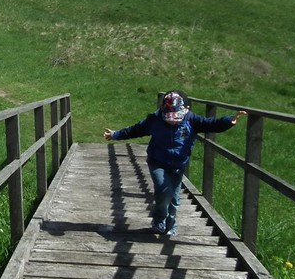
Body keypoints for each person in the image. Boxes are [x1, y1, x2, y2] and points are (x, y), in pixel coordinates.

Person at [104, 91, 246, 237]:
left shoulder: (191, 119)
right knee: (163, 189)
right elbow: (135, 130)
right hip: (157, 161)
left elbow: (211, 124)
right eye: (169, 118)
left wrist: (229, 121)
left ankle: (171, 225)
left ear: (186, 110)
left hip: (178, 164)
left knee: (174, 198)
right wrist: (115, 134)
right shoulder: (155, 119)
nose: (172, 121)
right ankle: (159, 220)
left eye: (176, 118)